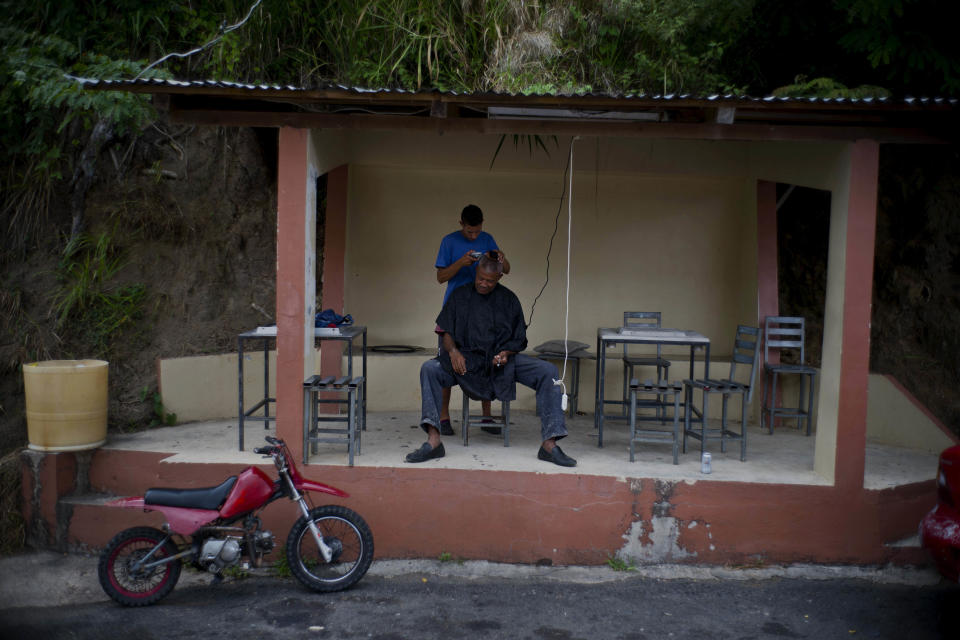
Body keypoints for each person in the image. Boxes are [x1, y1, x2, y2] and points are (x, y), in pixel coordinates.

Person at [406, 255, 576, 467]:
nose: (484, 284)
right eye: (481, 279)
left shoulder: (509, 299)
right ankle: (433, 440)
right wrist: (453, 352)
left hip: (502, 361)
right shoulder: (460, 295)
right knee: (429, 369)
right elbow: (445, 330)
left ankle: (549, 444)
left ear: (499, 277)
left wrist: (507, 352)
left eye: (490, 281)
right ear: (477, 272)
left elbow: (519, 337)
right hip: (467, 360)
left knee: (548, 371)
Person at [433, 204, 510, 436]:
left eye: (477, 231)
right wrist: (462, 263)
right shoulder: (449, 241)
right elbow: (440, 277)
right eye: (469, 232)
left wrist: (501, 259)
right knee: (447, 361)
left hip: (484, 308)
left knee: (488, 357)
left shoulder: (488, 239)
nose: (474, 236)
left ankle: (486, 416)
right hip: (456, 309)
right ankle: (444, 417)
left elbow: (505, 269)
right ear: (461, 224)